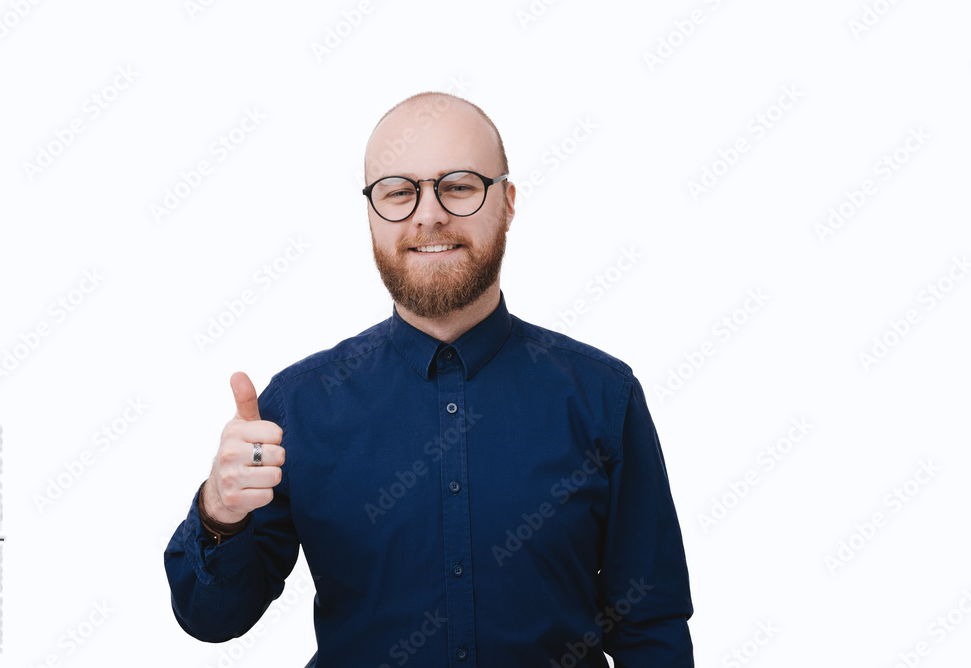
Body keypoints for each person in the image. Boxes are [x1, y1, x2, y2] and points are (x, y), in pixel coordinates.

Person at [164, 91, 694, 667]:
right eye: (398, 191)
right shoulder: (297, 407)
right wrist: (219, 511)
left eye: (459, 185)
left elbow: (650, 627)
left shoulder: (602, 397)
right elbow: (211, 619)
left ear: (508, 203)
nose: (429, 213)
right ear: (371, 214)